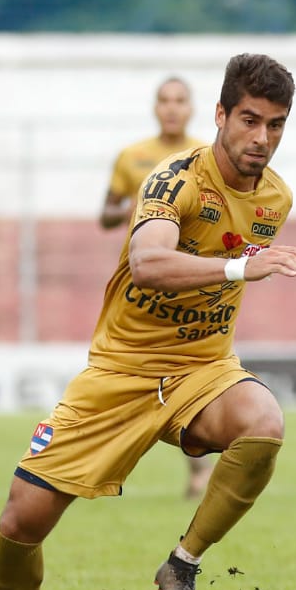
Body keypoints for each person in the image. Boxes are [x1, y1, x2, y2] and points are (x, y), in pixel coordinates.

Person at [0, 54, 296, 590]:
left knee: (265, 421)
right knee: (19, 522)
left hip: (202, 370)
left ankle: (183, 564)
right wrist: (240, 268)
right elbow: (148, 264)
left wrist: (235, 272)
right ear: (221, 115)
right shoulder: (172, 178)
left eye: (276, 125)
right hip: (119, 372)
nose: (262, 138)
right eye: (250, 120)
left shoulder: (275, 199)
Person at [101, 76, 213, 499]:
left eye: (180, 101)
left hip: (190, 282)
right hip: (140, 283)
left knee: (191, 373)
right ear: (155, 107)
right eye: (164, 100)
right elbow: (106, 214)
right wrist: (129, 209)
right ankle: (107, 461)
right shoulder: (133, 158)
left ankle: (198, 469)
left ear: (192, 108)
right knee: (126, 371)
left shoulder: (204, 156)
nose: (171, 108)